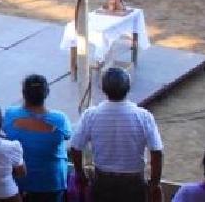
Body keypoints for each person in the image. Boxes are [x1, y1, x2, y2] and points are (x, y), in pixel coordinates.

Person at [70, 67, 164, 202]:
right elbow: (157, 152)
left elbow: (75, 147)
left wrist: (81, 174)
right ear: (128, 88)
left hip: (102, 182)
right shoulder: (144, 116)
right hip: (134, 183)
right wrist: (154, 184)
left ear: (103, 89)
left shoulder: (91, 115)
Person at [2, 75, 72, 201]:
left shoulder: (10, 114)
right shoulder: (60, 119)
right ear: (46, 93)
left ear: (24, 94)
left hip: (20, 184)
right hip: (52, 184)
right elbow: (67, 136)